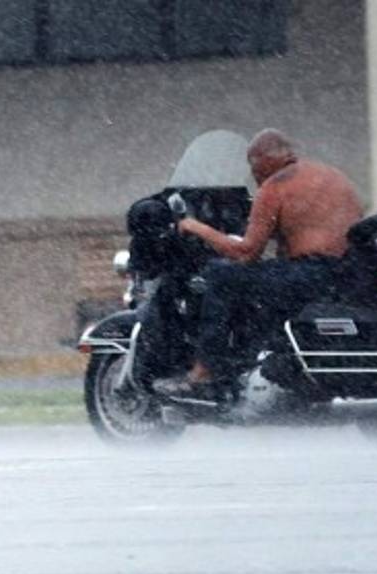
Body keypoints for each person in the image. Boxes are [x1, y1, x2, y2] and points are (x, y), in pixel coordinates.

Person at [151, 128, 364, 393]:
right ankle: (255, 358)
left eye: (253, 167)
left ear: (264, 159)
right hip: (347, 273)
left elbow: (246, 253)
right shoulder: (332, 176)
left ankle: (204, 370)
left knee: (221, 275)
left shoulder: (276, 185)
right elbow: (306, 226)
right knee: (262, 278)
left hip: (310, 273)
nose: (254, 177)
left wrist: (195, 227)